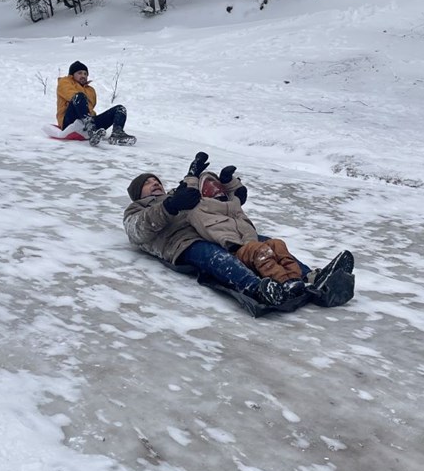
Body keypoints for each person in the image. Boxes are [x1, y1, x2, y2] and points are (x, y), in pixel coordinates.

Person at [123, 152, 354, 308]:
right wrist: (169, 206)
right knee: (212, 255)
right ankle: (257, 289)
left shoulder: (177, 194)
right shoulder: (137, 210)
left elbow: (217, 203)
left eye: (157, 181)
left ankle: (311, 278)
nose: (155, 183)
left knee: (266, 243)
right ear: (138, 193)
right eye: (148, 182)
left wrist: (230, 187)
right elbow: (137, 231)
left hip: (216, 230)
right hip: (184, 242)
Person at [56, 61, 136, 146]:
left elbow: (90, 108)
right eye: (79, 73)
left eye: (85, 74)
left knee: (120, 109)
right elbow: (71, 95)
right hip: (69, 121)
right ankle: (91, 128)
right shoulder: (65, 82)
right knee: (78, 96)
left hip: (87, 121)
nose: (83, 76)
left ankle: (117, 134)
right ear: (72, 75)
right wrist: (81, 97)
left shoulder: (90, 90)